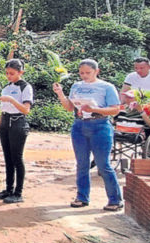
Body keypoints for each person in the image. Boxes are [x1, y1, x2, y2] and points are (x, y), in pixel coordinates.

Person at [53, 59, 124, 211]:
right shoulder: (76, 86)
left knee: (103, 164)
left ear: (96, 71)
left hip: (100, 125)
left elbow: (115, 109)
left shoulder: (106, 87)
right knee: (82, 164)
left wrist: (95, 109)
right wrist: (60, 94)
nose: (84, 76)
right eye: (81, 73)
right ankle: (82, 196)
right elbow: (69, 107)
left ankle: (115, 199)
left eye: (88, 73)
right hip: (79, 125)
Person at [0, 59, 33, 204]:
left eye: (12, 73)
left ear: (20, 72)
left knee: (17, 158)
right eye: (7, 73)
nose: (9, 76)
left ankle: (18, 192)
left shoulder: (25, 87)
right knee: (7, 158)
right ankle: (8, 189)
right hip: (5, 123)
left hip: (18, 123)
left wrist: (11, 100)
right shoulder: (6, 87)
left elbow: (26, 110)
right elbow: (3, 111)